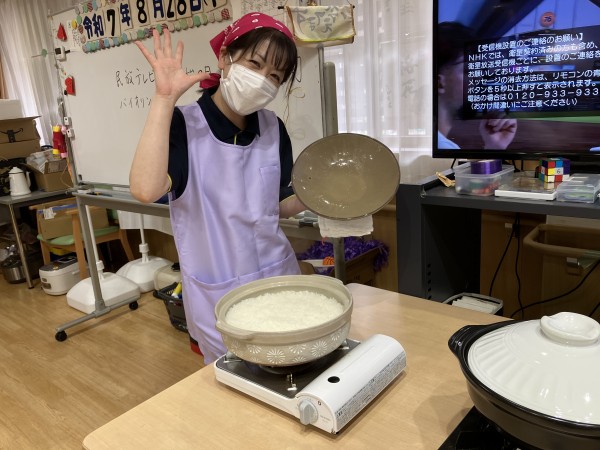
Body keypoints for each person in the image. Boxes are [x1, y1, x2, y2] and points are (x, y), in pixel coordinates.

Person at [129, 13, 307, 363]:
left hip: (278, 279)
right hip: (220, 295)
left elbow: (274, 205)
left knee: (291, 366)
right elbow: (145, 190)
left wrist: (321, 196)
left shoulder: (273, 128)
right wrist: (164, 100)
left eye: (275, 76)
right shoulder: (184, 125)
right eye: (254, 64)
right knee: (236, 380)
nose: (263, 79)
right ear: (225, 57)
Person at [437, 21, 517, 150]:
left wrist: (494, 146)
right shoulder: (444, 148)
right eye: (468, 70)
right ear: (439, 83)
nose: (478, 78)